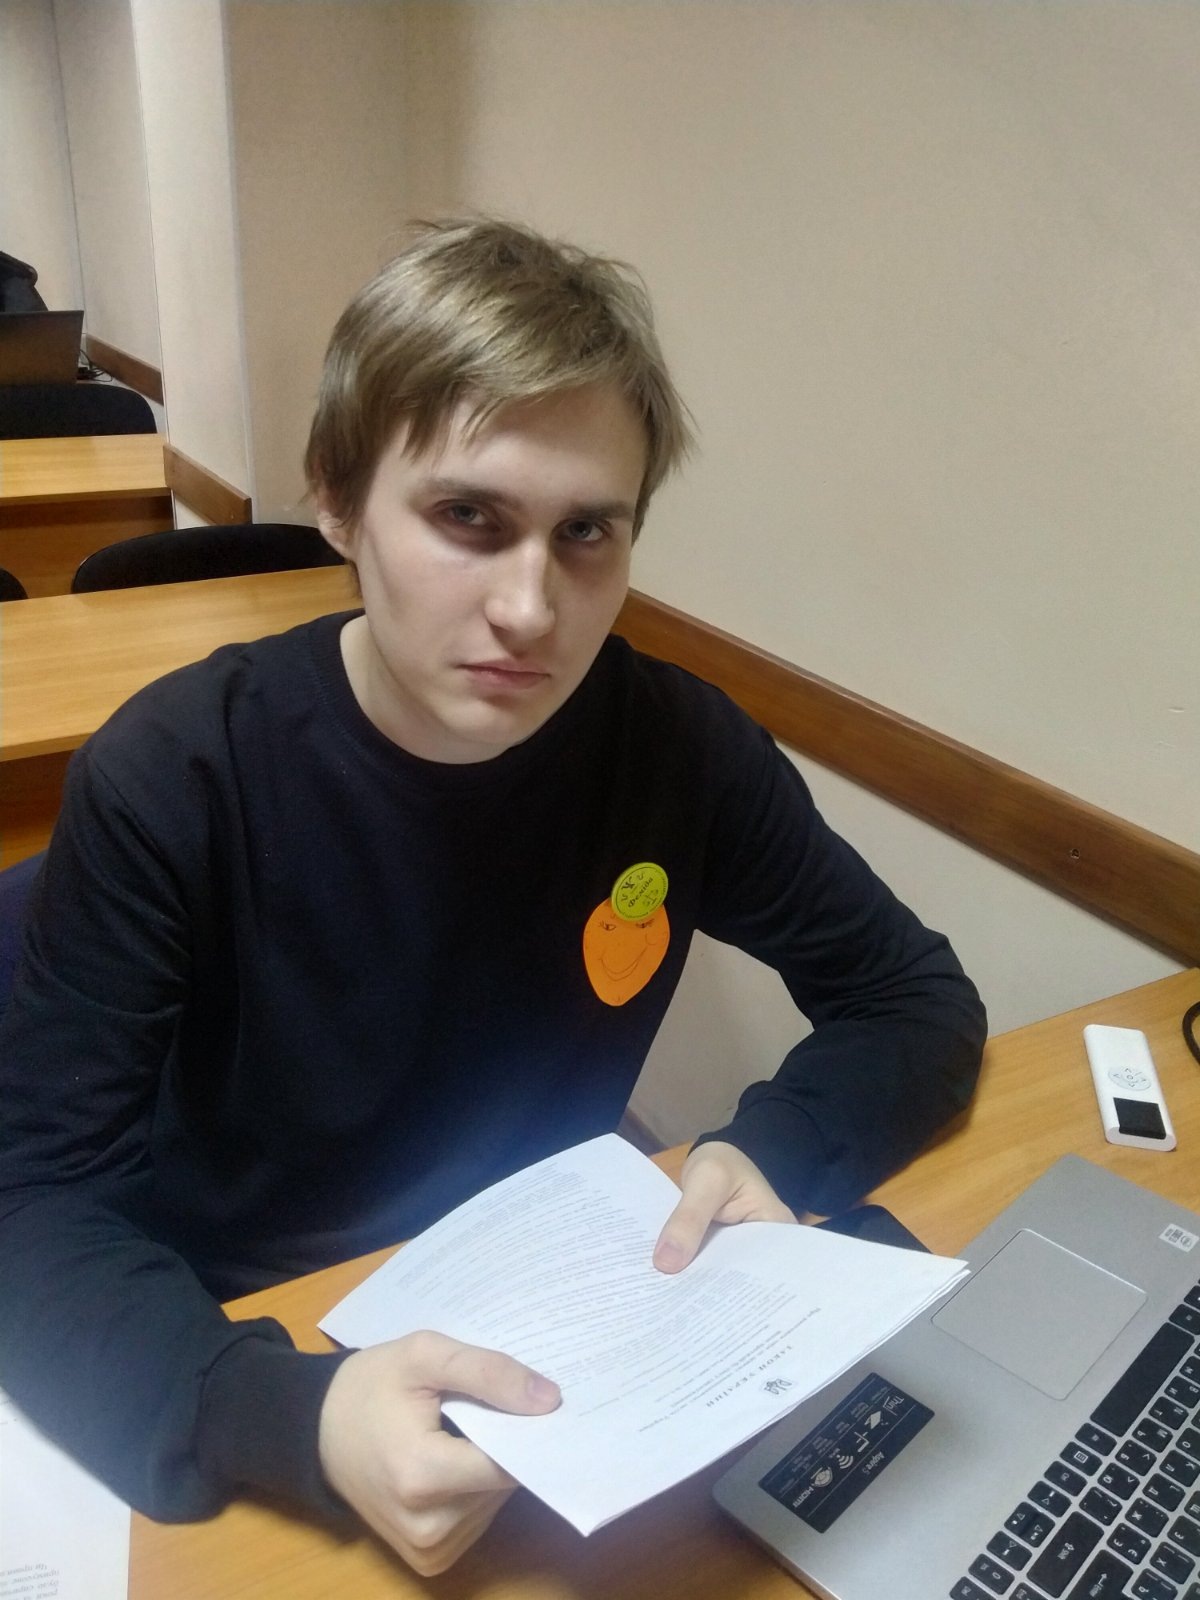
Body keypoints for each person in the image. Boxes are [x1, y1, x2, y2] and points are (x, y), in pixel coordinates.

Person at [0, 219, 986, 1575]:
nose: (532, 608)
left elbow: (911, 997)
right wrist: (289, 1415)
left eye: (586, 534)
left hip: (565, 1324)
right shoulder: (178, 775)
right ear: (338, 502)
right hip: (248, 1321)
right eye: (469, 518)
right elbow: (34, 1203)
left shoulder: (679, 748)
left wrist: (776, 1147)